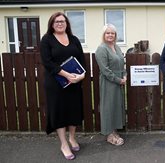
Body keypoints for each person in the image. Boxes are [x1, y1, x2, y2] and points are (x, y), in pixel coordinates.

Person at [40, 12, 85, 160]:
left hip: (74, 83)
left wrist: (81, 75)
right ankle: (64, 144)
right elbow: (47, 62)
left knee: (73, 110)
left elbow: (81, 60)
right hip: (56, 83)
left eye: (62, 21)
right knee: (59, 112)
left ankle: (72, 138)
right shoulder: (47, 40)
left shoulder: (74, 39)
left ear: (67, 23)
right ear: (52, 24)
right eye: (56, 21)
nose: (60, 23)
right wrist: (66, 75)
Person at [95, 24, 126, 146]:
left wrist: (124, 76)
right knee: (108, 107)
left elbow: (122, 64)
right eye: (107, 33)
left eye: (112, 33)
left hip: (119, 81)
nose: (110, 35)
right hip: (109, 82)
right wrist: (119, 80)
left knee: (116, 106)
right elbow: (105, 70)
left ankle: (114, 131)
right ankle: (109, 134)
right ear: (103, 35)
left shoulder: (116, 47)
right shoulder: (102, 49)